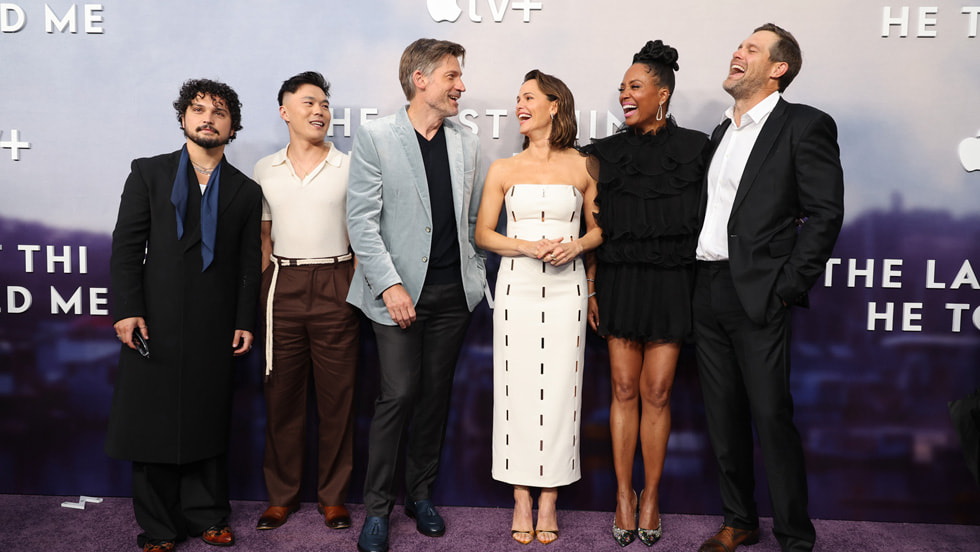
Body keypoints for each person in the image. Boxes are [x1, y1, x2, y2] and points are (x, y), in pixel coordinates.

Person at [693, 23, 844, 552]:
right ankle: (739, 521)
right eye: (738, 45)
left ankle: (794, 537)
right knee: (722, 417)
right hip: (707, 289)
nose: (737, 51)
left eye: (751, 48)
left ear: (778, 69)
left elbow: (824, 215)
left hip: (758, 294)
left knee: (772, 418)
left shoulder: (805, 125)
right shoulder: (722, 133)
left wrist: (784, 287)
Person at [106, 79, 262, 552]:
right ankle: (158, 527)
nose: (207, 118)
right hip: (153, 318)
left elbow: (246, 264)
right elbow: (127, 248)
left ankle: (208, 515)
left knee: (207, 418)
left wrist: (244, 318)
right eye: (198, 109)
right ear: (183, 118)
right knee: (152, 422)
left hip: (215, 323)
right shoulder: (148, 174)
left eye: (219, 112)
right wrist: (128, 310)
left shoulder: (245, 189)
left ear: (232, 126)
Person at [346, 38, 487, 552]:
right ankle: (377, 508)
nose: (461, 86)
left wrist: (472, 276)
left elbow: (472, 220)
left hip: (453, 295)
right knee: (398, 395)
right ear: (420, 79)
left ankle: (420, 495)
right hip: (395, 296)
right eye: (452, 76)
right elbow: (361, 221)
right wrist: (390, 284)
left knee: (433, 398)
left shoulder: (467, 143)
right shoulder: (377, 135)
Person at [581, 40, 708, 548]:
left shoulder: (699, 149)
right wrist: (591, 287)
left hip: (673, 283)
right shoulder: (602, 156)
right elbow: (591, 227)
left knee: (657, 392)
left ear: (663, 92)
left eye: (635, 87)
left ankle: (652, 495)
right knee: (623, 390)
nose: (624, 95)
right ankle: (622, 495)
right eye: (622, 88)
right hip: (620, 282)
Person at [475, 69, 601, 545]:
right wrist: (526, 246)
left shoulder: (584, 166)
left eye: (528, 97)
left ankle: (550, 497)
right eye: (517, 99)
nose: (519, 106)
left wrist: (576, 247)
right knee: (515, 391)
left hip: (567, 290)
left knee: (561, 391)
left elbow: (600, 230)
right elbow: (483, 233)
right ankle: (521, 495)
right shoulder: (503, 169)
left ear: (555, 105)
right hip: (516, 289)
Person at [252, 71, 359, 532]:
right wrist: (264, 286)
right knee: (282, 396)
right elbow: (262, 236)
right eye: (309, 103)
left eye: (325, 104)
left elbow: (363, 235)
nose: (320, 111)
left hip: (337, 279)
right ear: (285, 112)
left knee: (338, 398)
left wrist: (351, 287)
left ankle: (333, 497)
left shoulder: (350, 165)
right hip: (282, 284)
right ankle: (281, 496)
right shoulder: (264, 168)